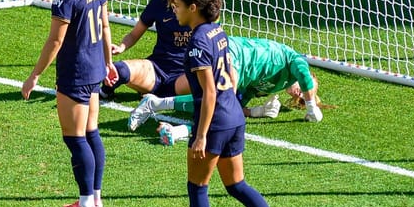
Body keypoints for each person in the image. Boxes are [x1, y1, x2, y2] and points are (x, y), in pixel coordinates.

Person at [166, 0, 298, 207]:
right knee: (237, 185)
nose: (174, 9)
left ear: (193, 8)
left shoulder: (197, 43)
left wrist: (201, 135)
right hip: (234, 118)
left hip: (214, 123)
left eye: (177, 5)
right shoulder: (218, 32)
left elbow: (209, 93)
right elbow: (232, 77)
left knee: (197, 187)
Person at [21, 0, 114, 207]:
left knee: (75, 139)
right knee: (91, 132)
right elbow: (105, 26)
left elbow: (55, 41)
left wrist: (34, 75)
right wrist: (109, 62)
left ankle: (85, 206)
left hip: (75, 72)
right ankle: (95, 198)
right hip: (95, 69)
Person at [128, 35, 325, 130]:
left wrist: (256, 112)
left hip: (232, 62)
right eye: (305, 90)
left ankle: (158, 106)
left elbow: (239, 102)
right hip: (234, 53)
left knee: (223, 110)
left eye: (301, 98)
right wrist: (311, 107)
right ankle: (164, 112)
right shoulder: (295, 61)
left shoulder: (275, 86)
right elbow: (304, 76)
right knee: (219, 106)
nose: (300, 93)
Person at [104, 0, 209, 101]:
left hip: (186, 76)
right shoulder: (159, 3)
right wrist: (121, 47)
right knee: (119, 69)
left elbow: (213, 42)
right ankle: (104, 92)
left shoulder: (204, 6)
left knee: (205, 79)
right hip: (156, 70)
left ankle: (164, 96)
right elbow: (134, 34)